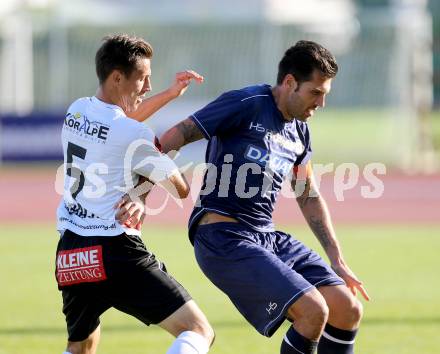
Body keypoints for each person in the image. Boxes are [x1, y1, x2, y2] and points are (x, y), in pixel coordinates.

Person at [147, 40, 369, 354]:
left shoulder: (300, 130)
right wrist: (140, 192)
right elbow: (178, 134)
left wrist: (336, 257)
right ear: (290, 82)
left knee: (347, 308)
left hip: (266, 235)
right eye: (315, 93)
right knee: (313, 310)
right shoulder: (246, 102)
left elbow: (307, 195)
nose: (320, 103)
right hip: (223, 238)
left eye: (325, 95)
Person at [55, 34, 214, 354]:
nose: (148, 87)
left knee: (81, 346)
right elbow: (180, 189)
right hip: (115, 249)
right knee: (198, 330)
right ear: (117, 77)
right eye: (142, 78)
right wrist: (164, 151)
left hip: (70, 252)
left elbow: (120, 124)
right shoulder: (135, 135)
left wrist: (171, 94)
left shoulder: (77, 110)